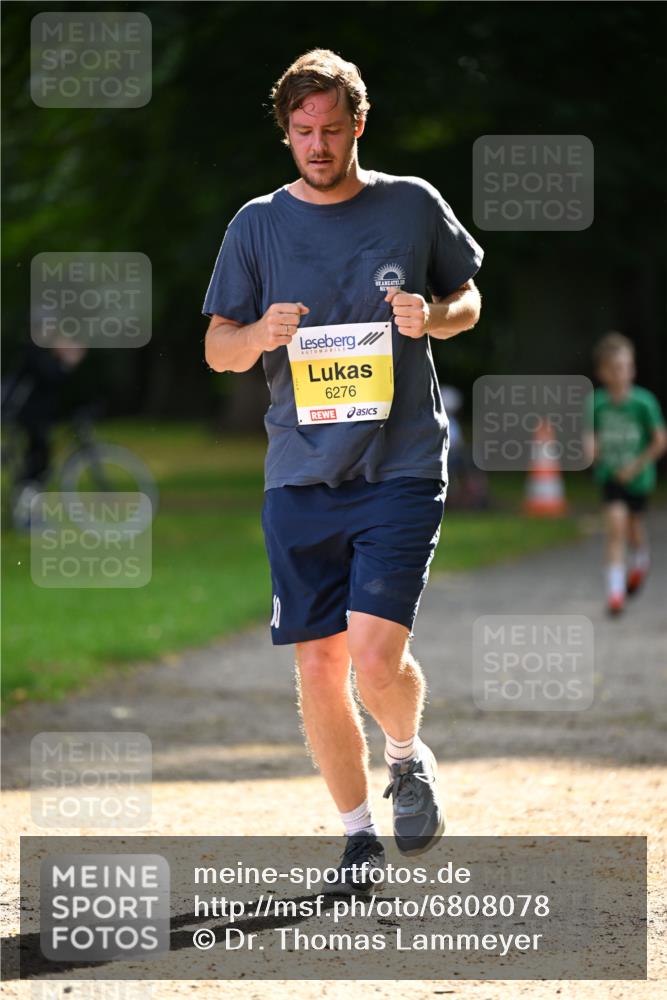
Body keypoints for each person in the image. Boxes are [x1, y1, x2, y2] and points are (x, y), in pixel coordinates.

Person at [202, 49, 483, 893]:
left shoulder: (411, 205)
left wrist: (430, 316)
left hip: (399, 465)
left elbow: (469, 300)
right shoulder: (255, 224)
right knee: (318, 664)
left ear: (358, 125)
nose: (316, 146)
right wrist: (257, 336)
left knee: (369, 655)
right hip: (297, 474)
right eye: (301, 133)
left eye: (330, 129)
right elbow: (217, 346)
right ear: (286, 132)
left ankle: (405, 755)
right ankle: (357, 841)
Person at [585, 332, 666, 616]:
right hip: (611, 476)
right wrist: (591, 450)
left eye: (625, 367)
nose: (620, 374)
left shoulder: (644, 403)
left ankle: (642, 558)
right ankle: (616, 594)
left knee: (633, 528)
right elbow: (590, 436)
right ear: (602, 372)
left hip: (639, 477)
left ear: (632, 369)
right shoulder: (596, 402)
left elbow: (659, 441)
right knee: (616, 528)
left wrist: (636, 466)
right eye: (614, 368)